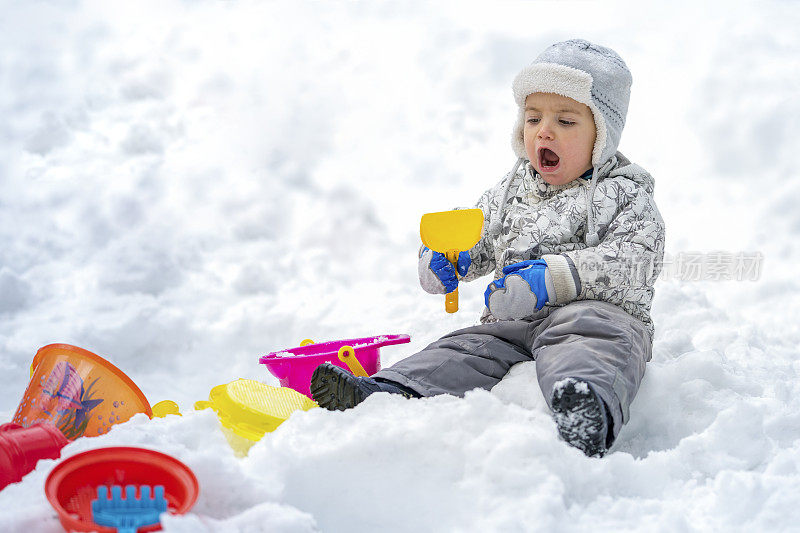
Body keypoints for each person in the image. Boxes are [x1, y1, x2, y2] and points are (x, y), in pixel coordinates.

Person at [310, 39, 665, 458]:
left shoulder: (626, 196)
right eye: (533, 119)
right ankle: (386, 391)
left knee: (594, 344)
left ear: (602, 135)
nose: (544, 131)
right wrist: (445, 258)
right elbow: (476, 237)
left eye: (566, 122)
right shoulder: (509, 192)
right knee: (461, 348)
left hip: (593, 314)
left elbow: (635, 261)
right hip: (511, 321)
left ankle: (587, 408)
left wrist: (553, 279)